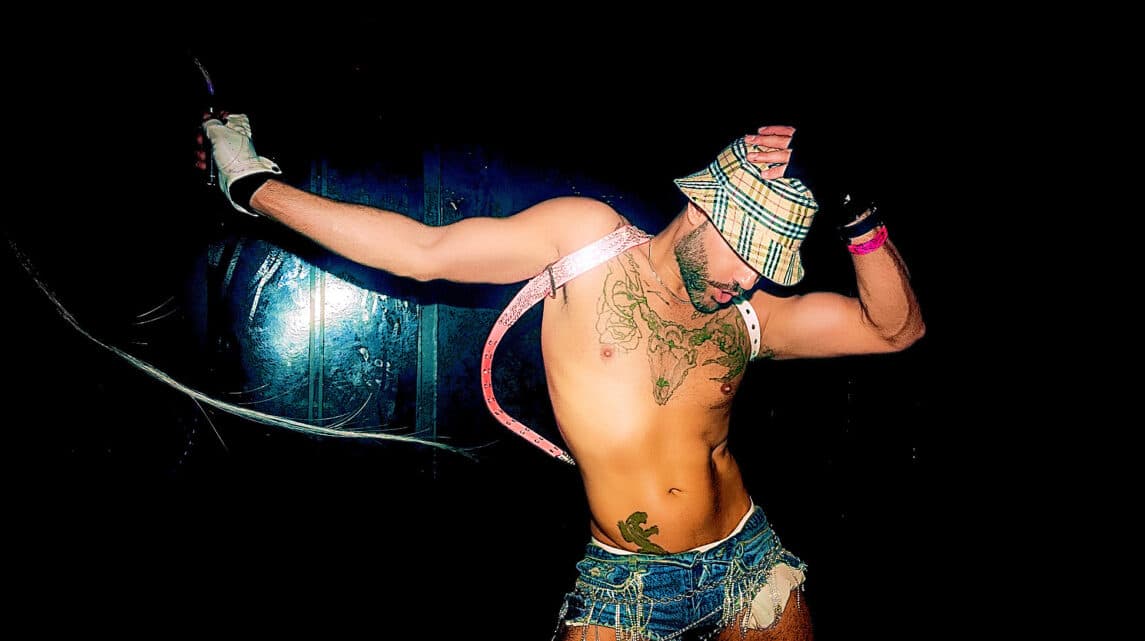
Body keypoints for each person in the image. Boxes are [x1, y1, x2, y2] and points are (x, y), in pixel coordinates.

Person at [199, 112, 925, 640]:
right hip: (627, 587)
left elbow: (896, 329)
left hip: (749, 561)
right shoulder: (589, 244)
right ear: (704, 209)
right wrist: (254, 184)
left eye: (767, 266)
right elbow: (422, 253)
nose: (749, 279)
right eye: (746, 255)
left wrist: (855, 209)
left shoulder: (749, 317)